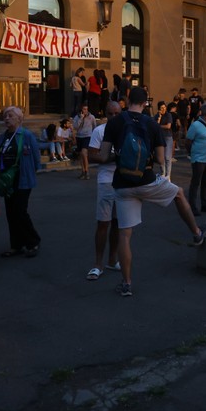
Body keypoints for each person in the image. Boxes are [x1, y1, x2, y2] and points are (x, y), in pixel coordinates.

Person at [95, 87, 206, 297]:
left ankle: (127, 284)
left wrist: (120, 157)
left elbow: (103, 156)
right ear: (145, 103)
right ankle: (196, 233)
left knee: (124, 234)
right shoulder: (152, 124)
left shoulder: (114, 122)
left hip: (122, 184)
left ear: (127, 100)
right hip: (147, 180)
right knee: (178, 194)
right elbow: (159, 159)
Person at [0, 106, 43, 259]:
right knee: (11, 213)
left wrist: (32, 172)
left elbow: (36, 156)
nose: (6, 119)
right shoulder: (3, 136)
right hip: (8, 181)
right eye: (5, 116)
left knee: (20, 211)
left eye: (10, 116)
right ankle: (16, 245)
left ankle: (33, 241)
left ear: (19, 118)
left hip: (23, 179)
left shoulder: (26, 135)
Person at [86, 101, 122, 281]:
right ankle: (97, 264)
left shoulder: (126, 130)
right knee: (103, 223)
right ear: (105, 114)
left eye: (117, 113)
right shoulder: (99, 131)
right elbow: (92, 155)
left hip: (123, 181)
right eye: (111, 114)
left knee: (117, 224)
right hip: (106, 181)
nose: (114, 117)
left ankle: (112, 259)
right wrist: (114, 157)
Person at [186, 102, 206, 216]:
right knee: (196, 182)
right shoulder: (196, 125)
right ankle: (192, 206)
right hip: (199, 159)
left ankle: (205, 204)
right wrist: (192, 153)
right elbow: (188, 141)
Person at [73, 103, 96, 180]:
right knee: (80, 155)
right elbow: (75, 127)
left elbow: (94, 126)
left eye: (86, 109)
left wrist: (94, 136)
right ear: (81, 110)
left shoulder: (91, 117)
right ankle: (83, 171)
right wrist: (81, 119)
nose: (85, 111)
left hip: (88, 136)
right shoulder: (77, 117)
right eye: (84, 109)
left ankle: (87, 171)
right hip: (79, 136)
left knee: (84, 153)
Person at [154, 101, 175, 180]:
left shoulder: (168, 115)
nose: (163, 109)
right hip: (159, 137)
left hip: (168, 137)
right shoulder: (157, 116)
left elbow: (168, 126)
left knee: (167, 157)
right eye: (162, 108)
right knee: (161, 157)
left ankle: (168, 175)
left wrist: (159, 126)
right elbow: (155, 126)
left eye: (164, 107)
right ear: (159, 108)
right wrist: (159, 118)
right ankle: (163, 173)